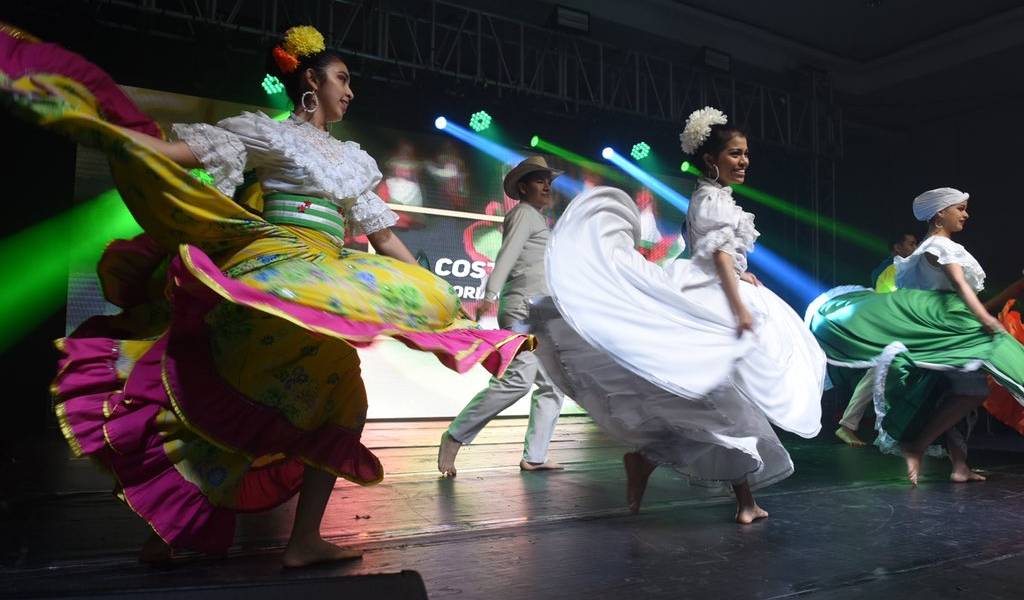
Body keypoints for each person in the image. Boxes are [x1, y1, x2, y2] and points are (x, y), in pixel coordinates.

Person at [2, 25, 530, 566]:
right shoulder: (267, 133)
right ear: (310, 80)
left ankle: (224, 537)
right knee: (245, 391)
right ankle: (248, 537)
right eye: (342, 79)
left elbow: (384, 235)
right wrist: (105, 128)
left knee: (287, 394)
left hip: (324, 273)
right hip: (276, 269)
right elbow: (173, 152)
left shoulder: (351, 157)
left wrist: (439, 294)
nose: (350, 92)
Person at [530, 107, 825, 523]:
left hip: (714, 286)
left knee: (717, 399)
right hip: (712, 296)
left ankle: (663, 466)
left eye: (745, 154)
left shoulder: (716, 197)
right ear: (711, 159)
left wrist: (744, 276)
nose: (744, 161)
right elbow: (718, 254)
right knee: (721, 399)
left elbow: (718, 252)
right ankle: (730, 495)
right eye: (735, 154)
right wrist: (738, 305)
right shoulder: (710, 199)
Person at [808, 187, 1024, 485]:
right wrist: (985, 318)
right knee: (979, 386)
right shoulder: (940, 246)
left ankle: (953, 463)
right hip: (948, 328)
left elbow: (954, 297)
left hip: (943, 328)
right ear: (940, 214)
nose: (966, 214)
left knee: (957, 394)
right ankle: (921, 447)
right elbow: (959, 285)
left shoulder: (926, 250)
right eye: (960, 209)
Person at [437, 156, 566, 477]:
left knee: (552, 384)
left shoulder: (536, 218)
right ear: (523, 187)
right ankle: (455, 435)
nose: (546, 185)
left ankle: (535, 456)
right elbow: (506, 254)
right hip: (525, 308)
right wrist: (490, 294)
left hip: (542, 311)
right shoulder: (524, 214)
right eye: (539, 180)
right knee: (520, 381)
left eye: (548, 180)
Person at [834, 231, 921, 447]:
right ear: (897, 248)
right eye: (910, 243)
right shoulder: (891, 269)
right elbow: (888, 302)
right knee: (877, 375)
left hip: (905, 330)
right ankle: (848, 426)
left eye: (916, 243)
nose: (915, 246)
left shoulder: (908, 268)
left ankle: (891, 428)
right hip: (893, 330)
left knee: (891, 377)